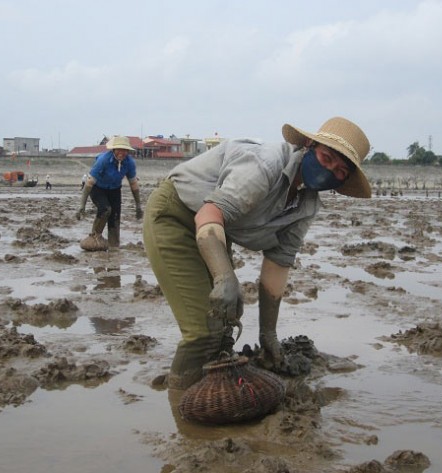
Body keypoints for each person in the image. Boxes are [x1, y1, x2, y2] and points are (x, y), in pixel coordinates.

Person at [142, 116, 371, 390]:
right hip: (177, 214)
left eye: (340, 170)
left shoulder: (307, 205)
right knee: (203, 331)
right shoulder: (266, 163)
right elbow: (210, 213)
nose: (330, 169)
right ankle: (183, 410)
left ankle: (209, 394)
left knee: (223, 326)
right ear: (309, 145)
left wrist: (269, 334)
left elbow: (278, 263)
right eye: (327, 157)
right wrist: (226, 278)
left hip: (217, 231)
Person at [76, 135, 143, 251]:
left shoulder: (129, 163)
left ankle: (114, 246)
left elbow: (133, 184)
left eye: (125, 150)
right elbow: (89, 183)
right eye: (119, 150)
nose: (122, 153)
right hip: (98, 188)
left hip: (115, 189)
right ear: (113, 150)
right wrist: (82, 206)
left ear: (128, 151)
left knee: (115, 217)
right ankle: (95, 236)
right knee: (106, 209)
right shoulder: (103, 160)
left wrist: (138, 206)